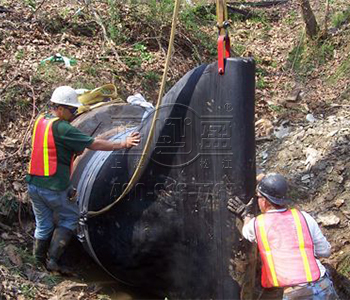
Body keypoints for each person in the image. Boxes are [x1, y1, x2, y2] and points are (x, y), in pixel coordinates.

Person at [27, 86, 141, 273]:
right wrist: (123, 143)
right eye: (72, 110)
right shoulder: (62, 127)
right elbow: (94, 143)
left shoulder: (42, 120)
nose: (74, 114)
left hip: (34, 184)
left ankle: (36, 263)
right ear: (61, 108)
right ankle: (53, 261)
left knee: (44, 224)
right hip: (53, 187)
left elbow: (52, 149)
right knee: (70, 218)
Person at [227, 173, 338, 300]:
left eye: (258, 197)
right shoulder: (303, 217)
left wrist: (244, 213)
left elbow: (247, 231)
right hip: (322, 285)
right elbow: (325, 251)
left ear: (264, 201)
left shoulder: (257, 225)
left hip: (296, 294)